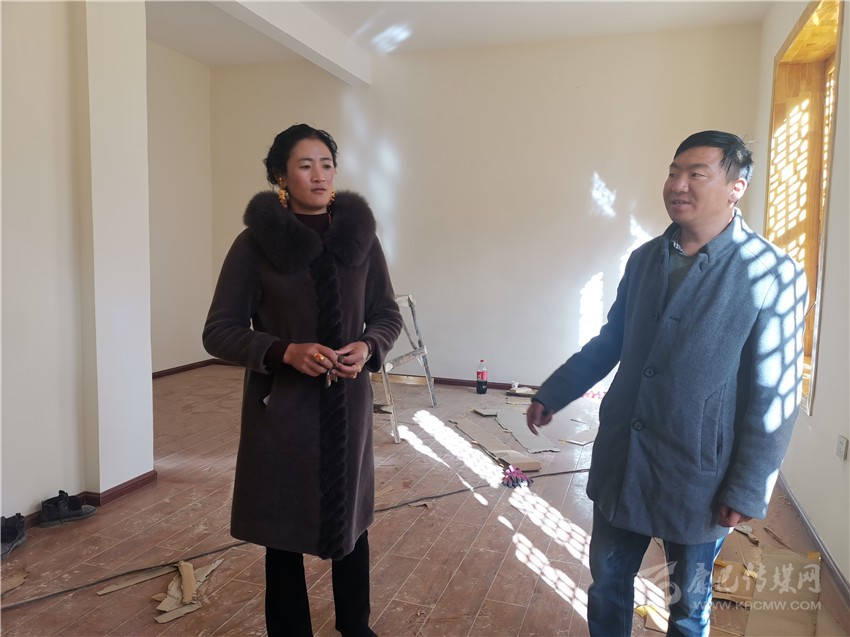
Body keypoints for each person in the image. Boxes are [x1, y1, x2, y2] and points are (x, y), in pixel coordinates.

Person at [526, 130, 807, 637]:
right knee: (608, 585)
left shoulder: (771, 273)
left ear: (736, 187)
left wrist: (747, 486)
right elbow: (612, 340)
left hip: (701, 473)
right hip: (625, 458)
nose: (678, 184)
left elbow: (775, 395)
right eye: (674, 172)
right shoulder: (644, 260)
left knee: (688, 607)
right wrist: (556, 391)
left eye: (696, 174)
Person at [203, 123, 402, 637]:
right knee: (283, 536)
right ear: (280, 176)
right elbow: (219, 331)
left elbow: (386, 314)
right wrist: (284, 351)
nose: (319, 175)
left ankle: (355, 628)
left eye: (327, 165)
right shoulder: (255, 245)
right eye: (305, 165)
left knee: (352, 525)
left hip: (348, 408)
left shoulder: (361, 239)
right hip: (283, 413)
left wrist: (369, 346)